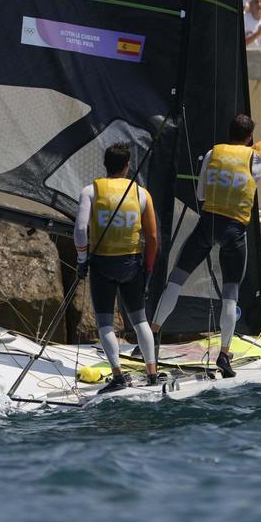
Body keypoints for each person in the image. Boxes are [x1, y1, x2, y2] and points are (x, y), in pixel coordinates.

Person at [151, 76, 261, 378]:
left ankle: (151, 334)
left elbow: (201, 194)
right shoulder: (255, 156)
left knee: (175, 280)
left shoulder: (213, 153)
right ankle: (225, 356)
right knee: (230, 296)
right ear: (249, 136)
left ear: (229, 134)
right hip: (235, 231)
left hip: (208, 225)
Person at [74, 143, 160, 391]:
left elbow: (80, 230)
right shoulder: (141, 193)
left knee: (105, 324)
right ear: (127, 166)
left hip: (102, 265)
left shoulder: (90, 190)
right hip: (132, 264)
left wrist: (82, 261)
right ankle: (152, 373)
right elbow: (152, 238)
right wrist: (149, 268)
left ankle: (119, 376)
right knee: (140, 320)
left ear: (105, 165)